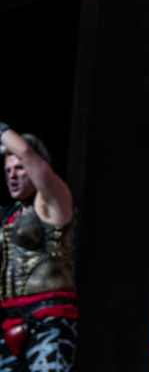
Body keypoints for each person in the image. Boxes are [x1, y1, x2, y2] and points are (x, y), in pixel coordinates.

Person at [0, 125, 76, 372]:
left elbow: (24, 151)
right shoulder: (10, 216)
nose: (12, 176)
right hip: (12, 320)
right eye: (8, 170)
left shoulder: (53, 201)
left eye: (20, 168)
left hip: (48, 318)